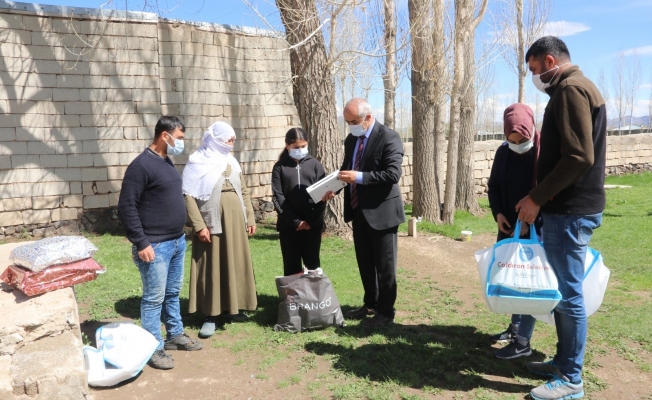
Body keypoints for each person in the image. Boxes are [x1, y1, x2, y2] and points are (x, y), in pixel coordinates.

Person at [516, 36, 606, 400]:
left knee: (568, 295)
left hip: (570, 209)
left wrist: (536, 197)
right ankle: (563, 361)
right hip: (568, 207)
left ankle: (570, 378)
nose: (536, 78)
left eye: (536, 70)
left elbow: (578, 156)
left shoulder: (570, 90)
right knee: (562, 292)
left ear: (551, 60)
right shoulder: (577, 88)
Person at [118, 115, 203, 370]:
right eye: (179, 138)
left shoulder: (167, 161)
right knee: (154, 298)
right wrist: (141, 242)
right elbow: (126, 207)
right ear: (164, 136)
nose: (181, 143)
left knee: (172, 293)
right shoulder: (141, 166)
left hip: (176, 242)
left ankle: (175, 334)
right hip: (154, 245)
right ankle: (153, 347)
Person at [323, 98, 405, 328]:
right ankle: (370, 303)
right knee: (365, 263)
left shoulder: (389, 137)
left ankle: (386, 312)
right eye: (347, 122)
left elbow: (392, 174)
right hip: (359, 211)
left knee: (385, 266)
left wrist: (358, 177)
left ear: (368, 117)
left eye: (354, 121)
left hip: (383, 213)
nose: (350, 126)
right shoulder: (352, 139)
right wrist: (333, 189)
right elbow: (346, 169)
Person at [182, 121, 257, 339]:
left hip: (235, 221)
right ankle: (210, 315)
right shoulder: (197, 161)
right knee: (211, 265)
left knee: (234, 261)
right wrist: (199, 226)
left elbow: (243, 191)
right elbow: (189, 196)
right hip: (211, 223)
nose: (231, 144)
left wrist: (249, 217)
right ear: (216, 139)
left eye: (233, 140)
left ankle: (233, 308)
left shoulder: (231, 161)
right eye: (228, 140)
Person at [487, 103, 543, 360]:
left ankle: (523, 341)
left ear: (531, 129)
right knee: (511, 279)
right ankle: (515, 327)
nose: (518, 145)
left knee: (528, 282)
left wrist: (531, 219)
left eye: (522, 140)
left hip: (536, 230)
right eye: (512, 140)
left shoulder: (545, 153)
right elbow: (495, 186)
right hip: (509, 227)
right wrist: (498, 213)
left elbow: (550, 192)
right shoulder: (503, 153)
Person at [271, 127, 327, 276]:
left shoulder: (315, 165)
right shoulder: (279, 167)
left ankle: (313, 298)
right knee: (291, 266)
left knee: (313, 265)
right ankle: (293, 299)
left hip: (312, 226)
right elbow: (278, 197)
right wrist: (295, 222)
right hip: (288, 227)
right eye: (296, 147)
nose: (300, 150)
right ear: (287, 146)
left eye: (303, 146)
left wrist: (311, 221)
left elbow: (323, 196)